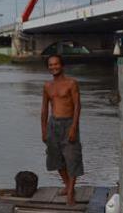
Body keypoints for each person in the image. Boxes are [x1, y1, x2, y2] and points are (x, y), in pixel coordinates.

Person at [41, 54, 83, 206]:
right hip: (53, 124)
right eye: (51, 65)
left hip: (68, 123)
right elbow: (44, 109)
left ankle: (70, 192)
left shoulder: (71, 83)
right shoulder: (47, 86)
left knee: (72, 158)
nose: (54, 67)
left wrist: (74, 128)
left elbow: (77, 106)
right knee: (55, 158)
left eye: (56, 64)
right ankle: (67, 185)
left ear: (62, 65)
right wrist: (43, 130)